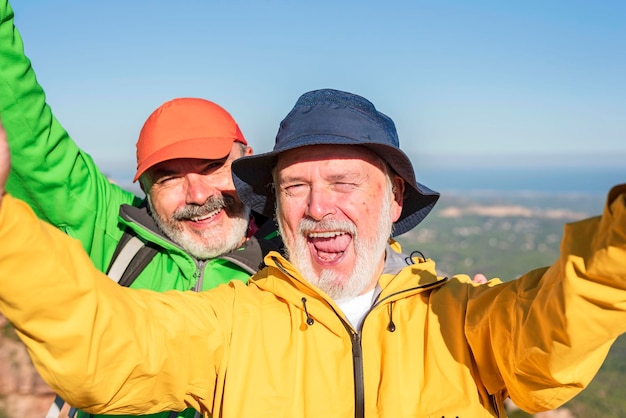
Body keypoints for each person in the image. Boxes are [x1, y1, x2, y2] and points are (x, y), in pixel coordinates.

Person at [2, 88, 626, 418]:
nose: (318, 206)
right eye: (295, 186)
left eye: (345, 182)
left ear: (394, 196)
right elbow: (107, 346)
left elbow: (553, 339)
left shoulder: (462, 321)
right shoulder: (233, 322)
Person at [0, 2, 280, 418]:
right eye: (168, 177)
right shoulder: (108, 229)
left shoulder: (291, 262)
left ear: (247, 159)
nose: (198, 194)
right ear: (145, 189)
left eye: (211, 166)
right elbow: (28, 131)